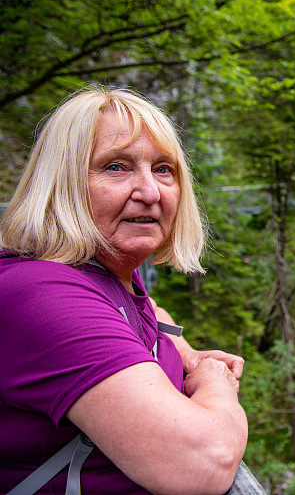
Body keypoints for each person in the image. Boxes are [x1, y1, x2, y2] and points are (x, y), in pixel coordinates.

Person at [0, 88, 249, 494]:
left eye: (164, 169)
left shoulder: (106, 277)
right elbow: (204, 462)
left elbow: (150, 308)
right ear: (61, 183)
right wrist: (212, 378)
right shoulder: (43, 295)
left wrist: (183, 349)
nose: (150, 192)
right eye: (116, 167)